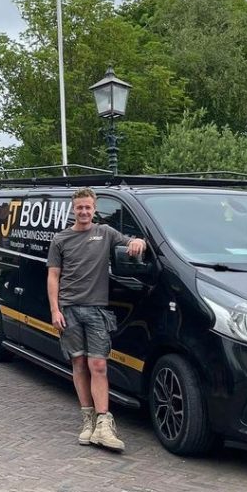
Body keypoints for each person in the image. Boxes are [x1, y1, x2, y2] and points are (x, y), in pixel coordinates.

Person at [47, 188, 146, 452]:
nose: (83, 212)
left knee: (99, 364)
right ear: (73, 209)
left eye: (88, 207)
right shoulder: (60, 239)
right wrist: (55, 310)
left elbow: (132, 242)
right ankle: (88, 419)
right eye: (79, 207)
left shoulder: (105, 233)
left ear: (94, 209)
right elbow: (53, 276)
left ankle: (104, 423)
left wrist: (139, 242)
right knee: (79, 363)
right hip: (69, 309)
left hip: (97, 311)